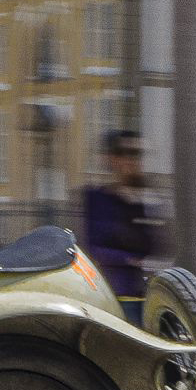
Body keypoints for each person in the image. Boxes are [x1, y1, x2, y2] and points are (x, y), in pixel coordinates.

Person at [80, 128, 165, 326]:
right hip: (112, 297)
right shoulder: (97, 198)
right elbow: (92, 249)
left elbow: (159, 246)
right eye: (124, 153)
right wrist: (130, 260)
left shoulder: (148, 201)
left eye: (137, 154)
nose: (131, 160)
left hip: (148, 297)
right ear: (111, 158)